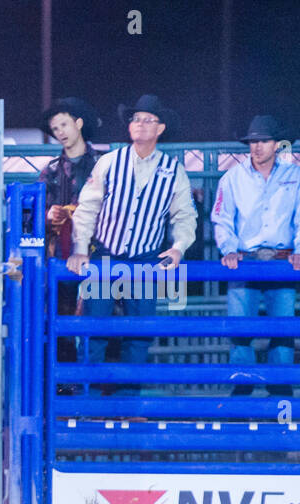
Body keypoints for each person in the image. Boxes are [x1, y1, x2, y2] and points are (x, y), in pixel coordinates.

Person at [67, 94, 198, 395]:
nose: (139, 124)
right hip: (106, 256)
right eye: (135, 119)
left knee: (138, 333)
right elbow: (87, 208)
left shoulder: (173, 169)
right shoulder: (109, 162)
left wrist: (179, 246)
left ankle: (129, 399)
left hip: (145, 260)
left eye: (147, 120)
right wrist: (79, 248)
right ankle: (87, 400)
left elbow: (185, 215)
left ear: (160, 128)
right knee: (93, 330)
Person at [211, 115, 300, 397]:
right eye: (253, 141)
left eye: (263, 141)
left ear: (277, 145)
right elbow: (221, 218)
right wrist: (229, 249)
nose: (257, 147)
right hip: (245, 261)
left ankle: (280, 392)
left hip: (282, 261)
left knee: (281, 331)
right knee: (240, 331)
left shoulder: (296, 176)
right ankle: (243, 391)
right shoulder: (232, 177)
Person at [38, 97, 102, 377]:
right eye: (55, 128)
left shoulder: (105, 166)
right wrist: (48, 217)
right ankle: (65, 396)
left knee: (104, 323)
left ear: (78, 123)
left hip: (101, 255)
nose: (60, 132)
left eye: (64, 124)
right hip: (62, 260)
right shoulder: (50, 171)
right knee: (61, 325)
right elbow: (34, 217)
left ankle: (105, 397)